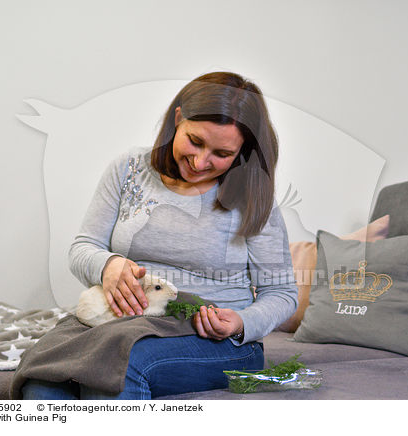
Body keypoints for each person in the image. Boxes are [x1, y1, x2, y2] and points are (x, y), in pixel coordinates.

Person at [21, 71, 298, 400]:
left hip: (214, 341)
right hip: (123, 326)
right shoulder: (129, 169)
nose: (199, 161)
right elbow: (84, 247)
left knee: (119, 365)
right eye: (195, 141)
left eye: (221, 154)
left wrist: (239, 322)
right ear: (178, 119)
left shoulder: (254, 198)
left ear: (241, 152)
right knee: (43, 379)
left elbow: (282, 293)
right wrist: (108, 266)